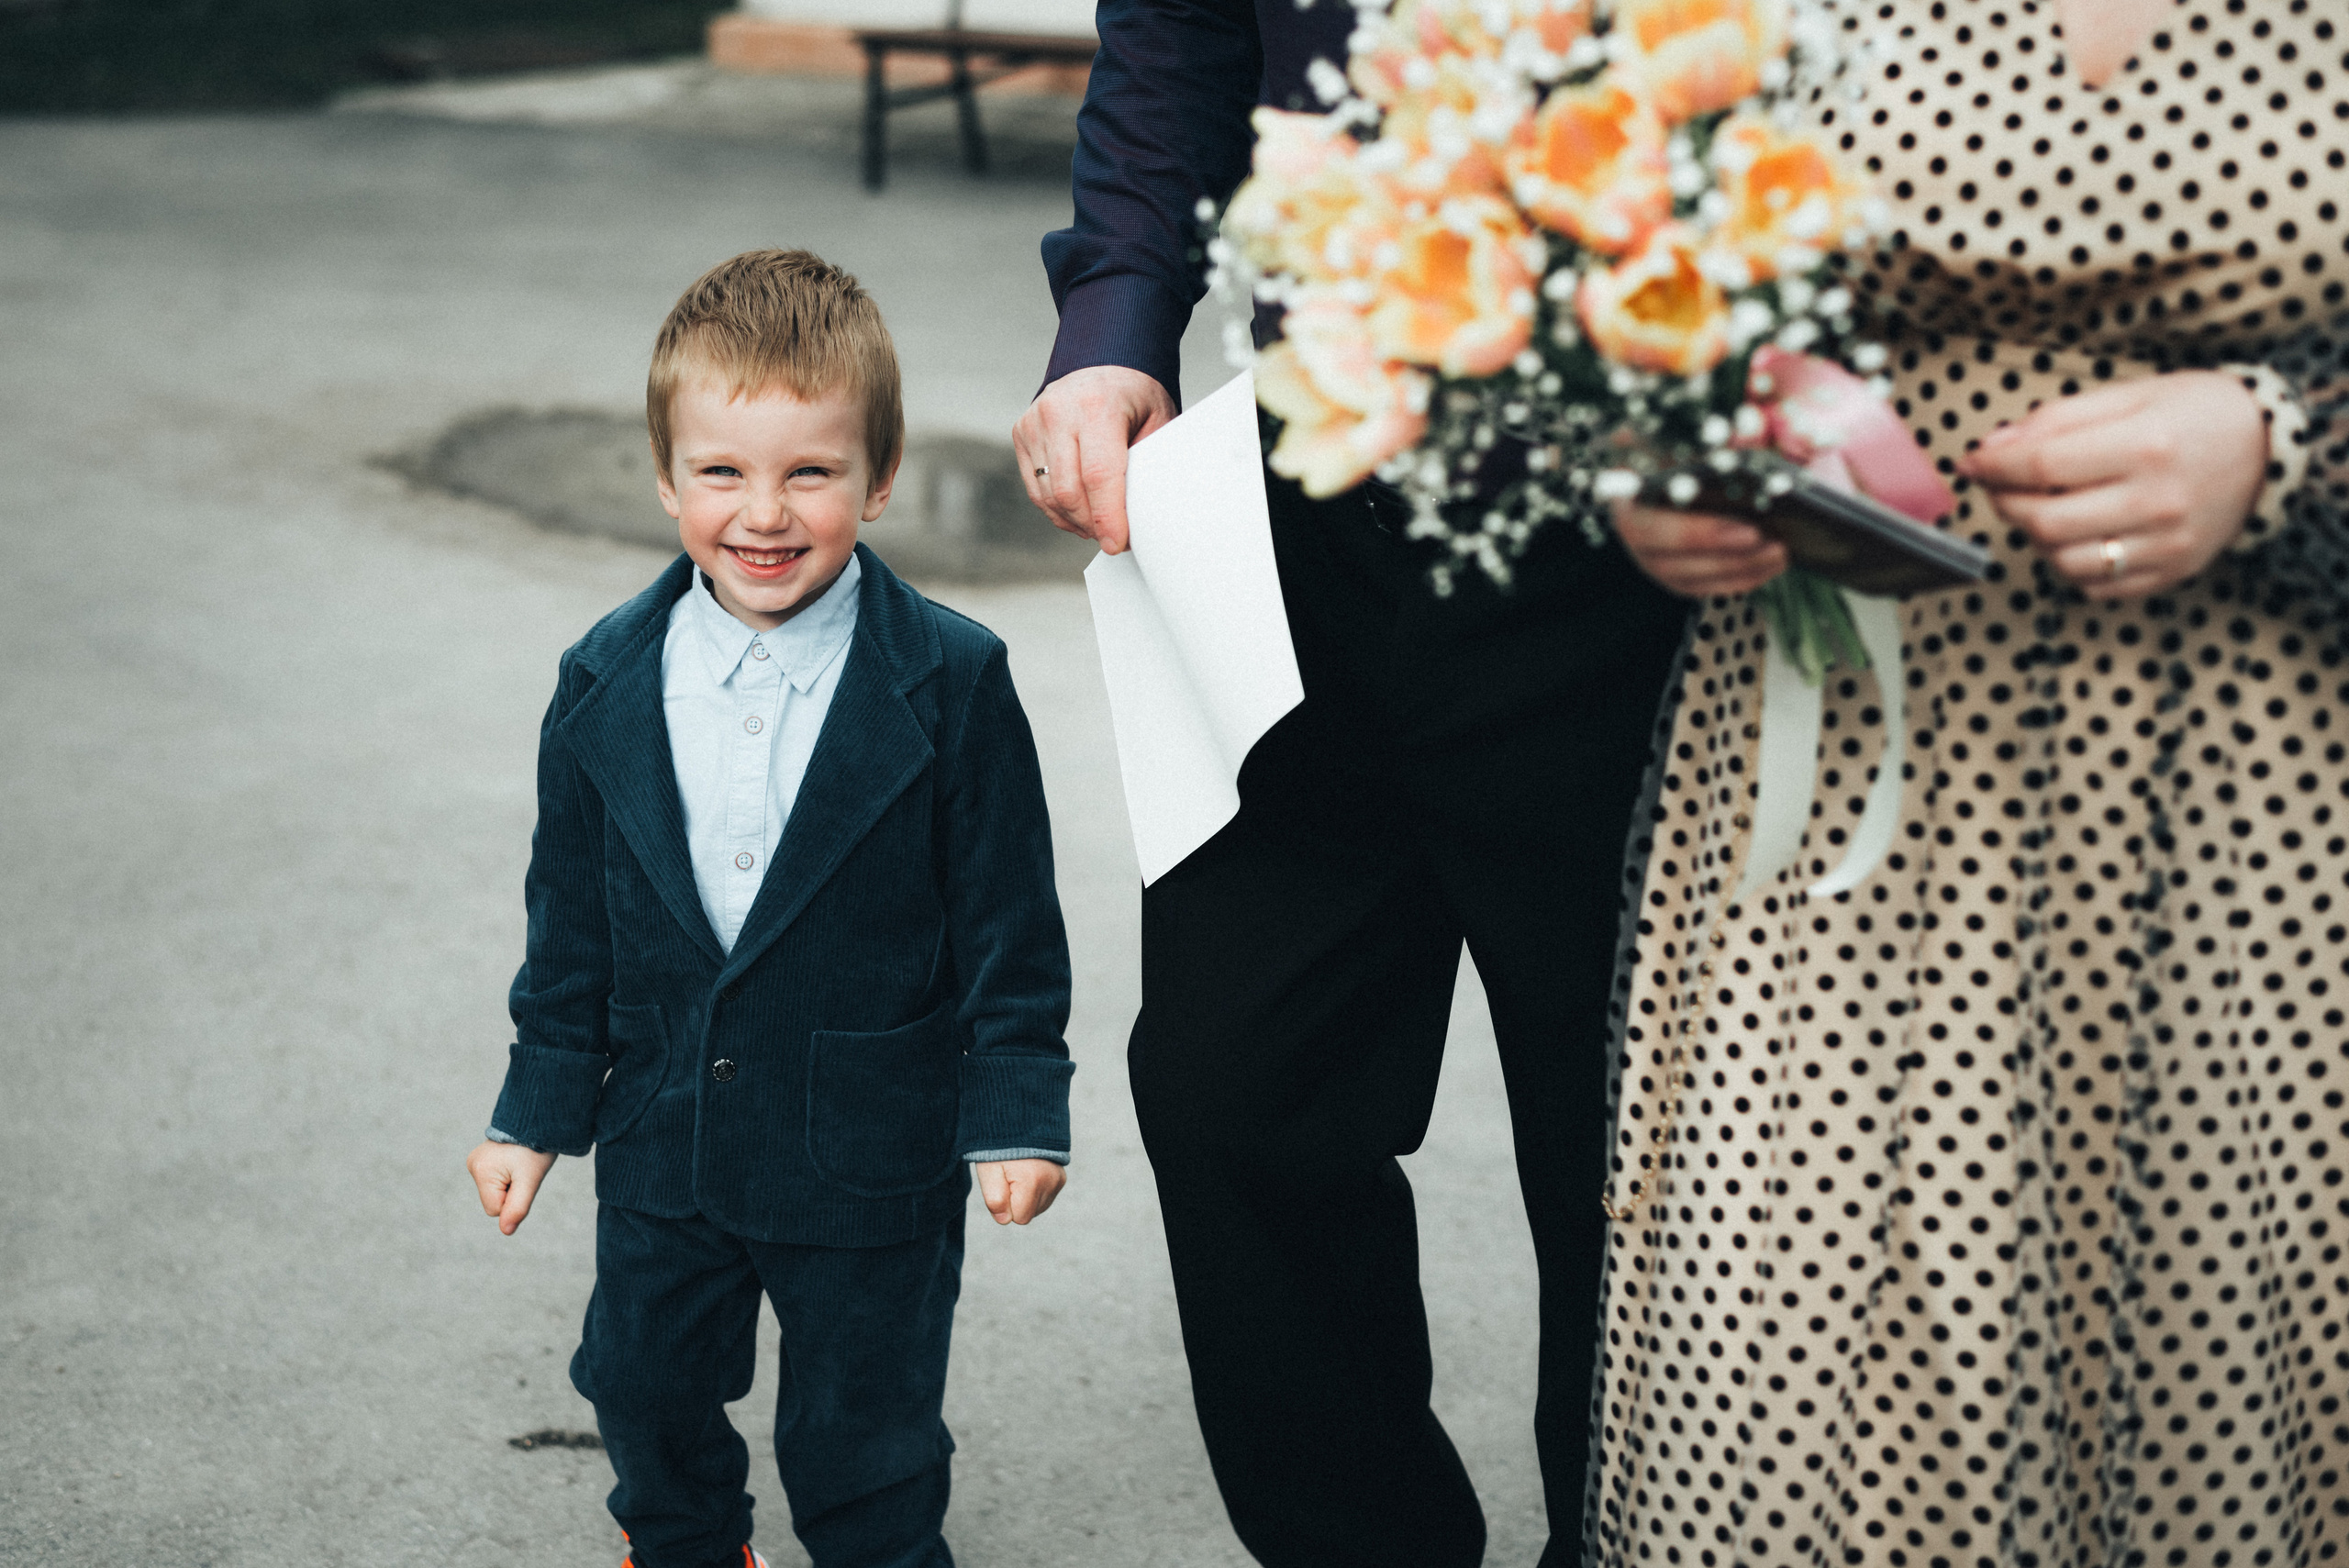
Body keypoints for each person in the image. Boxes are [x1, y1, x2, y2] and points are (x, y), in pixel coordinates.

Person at [1597, 4, 2349, 1566]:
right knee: (1809, 1372)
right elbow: (1623, 241)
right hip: (1847, 762)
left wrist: (2290, 444)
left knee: (2224, 1343)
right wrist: (1651, 453)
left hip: (2266, 791)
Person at [1016, 3, 1690, 1564]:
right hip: (1306, 501)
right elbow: (1179, 41)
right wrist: (1116, 323)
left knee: (1625, 1160)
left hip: (1631, 547)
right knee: (1231, 1082)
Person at [463, 249, 1074, 1568]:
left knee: (866, 1430)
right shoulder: (603, 675)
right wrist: (535, 1108)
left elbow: (1009, 926)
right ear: (666, 475)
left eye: (811, 471)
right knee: (638, 1379)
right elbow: (570, 919)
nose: (765, 513)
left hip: (871, 1149)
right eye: (723, 472)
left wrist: (1017, 1108)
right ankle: (685, 1543)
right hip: (664, 1134)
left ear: (882, 474)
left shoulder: (956, 680)